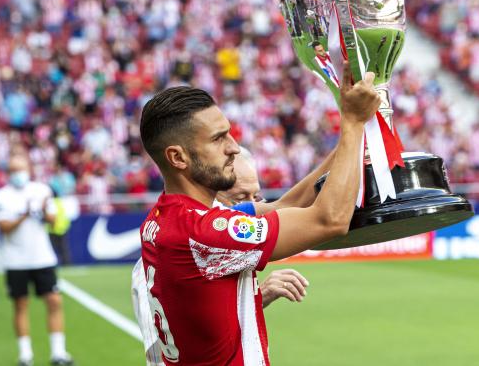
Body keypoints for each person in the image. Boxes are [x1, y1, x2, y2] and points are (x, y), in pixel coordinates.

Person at [137, 64, 379, 365]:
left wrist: (353, 140)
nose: (234, 148)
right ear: (177, 157)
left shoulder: (168, 217)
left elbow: (285, 206)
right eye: (218, 139)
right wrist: (353, 123)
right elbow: (330, 219)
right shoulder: (204, 233)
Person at [131, 149, 310, 366]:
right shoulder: (162, 255)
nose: (252, 205)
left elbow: (284, 206)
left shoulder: (226, 241)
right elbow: (166, 352)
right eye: (241, 198)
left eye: (256, 196)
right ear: (213, 195)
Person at [0, 154, 74, 366]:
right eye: (15, 170)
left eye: (22, 168)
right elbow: (4, 227)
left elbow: (54, 222)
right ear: (9, 173)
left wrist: (44, 211)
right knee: (20, 304)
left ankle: (58, 353)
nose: (20, 174)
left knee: (54, 301)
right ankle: (25, 355)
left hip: (42, 257)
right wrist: (25, 214)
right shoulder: (0, 196)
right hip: (16, 260)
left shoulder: (42, 190)